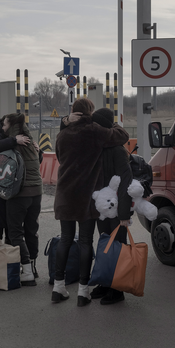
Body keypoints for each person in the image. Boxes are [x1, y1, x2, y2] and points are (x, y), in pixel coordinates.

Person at [52, 98, 129, 307]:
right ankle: (83, 292)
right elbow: (123, 136)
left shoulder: (62, 135)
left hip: (64, 195)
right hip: (86, 197)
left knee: (66, 239)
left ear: (73, 112)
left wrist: (65, 121)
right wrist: (112, 124)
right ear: (90, 112)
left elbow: (60, 157)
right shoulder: (95, 131)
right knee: (86, 241)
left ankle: (58, 287)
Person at [90, 107, 133, 305]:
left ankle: (118, 290)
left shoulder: (118, 150)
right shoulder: (99, 147)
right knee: (105, 245)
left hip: (116, 209)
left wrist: (124, 214)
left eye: (96, 124)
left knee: (117, 248)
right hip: (103, 209)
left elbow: (126, 182)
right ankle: (106, 284)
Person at [2, 113, 43, 286]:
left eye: (5, 124)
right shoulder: (31, 143)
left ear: (11, 126)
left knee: (15, 233)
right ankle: (33, 268)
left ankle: (25, 271)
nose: (3, 127)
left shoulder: (13, 145)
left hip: (20, 194)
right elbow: (37, 161)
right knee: (31, 230)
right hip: (37, 192)